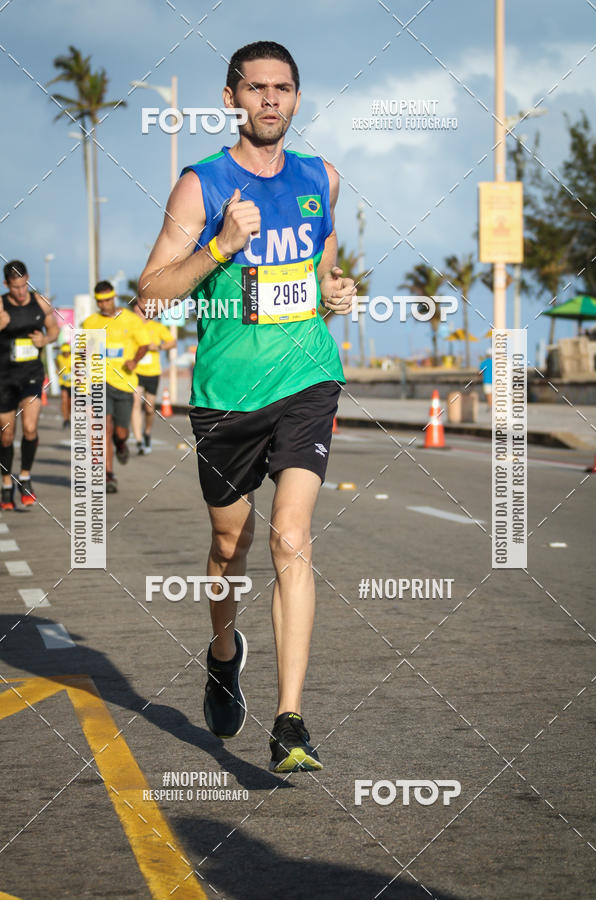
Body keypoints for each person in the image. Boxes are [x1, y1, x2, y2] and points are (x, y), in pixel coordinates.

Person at [139, 41, 355, 773]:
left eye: (283, 88)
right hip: (227, 396)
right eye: (256, 88)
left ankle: (289, 719)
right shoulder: (200, 185)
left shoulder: (320, 177)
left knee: (290, 540)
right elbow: (154, 291)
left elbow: (324, 270)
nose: (270, 100)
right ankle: (224, 652)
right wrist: (222, 247)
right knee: (229, 547)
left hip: (306, 381)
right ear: (232, 97)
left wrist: (336, 293)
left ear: (296, 98)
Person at [0, 260, 59, 509]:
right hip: (4, 377)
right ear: (6, 285)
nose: (21, 292)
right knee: (6, 435)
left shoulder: (40, 302)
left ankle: (24, 476)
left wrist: (44, 339)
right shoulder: (1, 306)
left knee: (31, 427)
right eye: (16, 288)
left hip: (32, 374)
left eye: (24, 286)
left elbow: (54, 329)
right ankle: (6, 483)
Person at [82, 281, 149, 493]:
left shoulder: (130, 319)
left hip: (124, 382)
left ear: (114, 297)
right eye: (99, 301)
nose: (104, 305)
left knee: (120, 432)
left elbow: (144, 344)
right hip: (99, 381)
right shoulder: (90, 323)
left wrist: (134, 361)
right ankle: (108, 475)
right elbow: (84, 353)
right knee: (103, 428)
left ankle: (121, 445)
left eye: (107, 300)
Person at [130, 303, 176, 454]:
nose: (139, 315)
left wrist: (159, 347)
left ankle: (147, 433)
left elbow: (172, 342)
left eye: (142, 312)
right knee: (135, 404)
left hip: (152, 372)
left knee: (149, 409)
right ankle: (138, 441)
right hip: (135, 372)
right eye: (136, 312)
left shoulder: (157, 327)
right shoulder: (130, 328)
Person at [55, 341, 72, 428]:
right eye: (64, 352)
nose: (65, 354)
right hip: (63, 382)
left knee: (70, 402)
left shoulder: (75, 358)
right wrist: (59, 372)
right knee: (64, 400)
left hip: (73, 383)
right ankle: (66, 420)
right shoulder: (59, 357)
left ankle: (69, 416)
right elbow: (57, 365)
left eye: (67, 352)